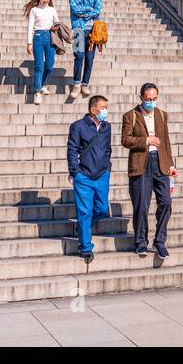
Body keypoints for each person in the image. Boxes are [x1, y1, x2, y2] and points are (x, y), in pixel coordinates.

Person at [122, 83, 177, 260]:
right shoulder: (131, 116)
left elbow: (166, 141)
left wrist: (171, 164)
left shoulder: (161, 114)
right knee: (141, 206)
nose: (151, 102)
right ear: (141, 98)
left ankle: (160, 241)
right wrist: (146, 140)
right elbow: (125, 140)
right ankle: (141, 242)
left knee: (166, 202)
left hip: (160, 164)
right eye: (148, 99)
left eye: (154, 99)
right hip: (141, 164)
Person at [67, 94, 112, 263]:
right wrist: (75, 171)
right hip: (84, 176)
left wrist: (108, 167)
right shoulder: (78, 126)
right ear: (93, 109)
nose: (105, 111)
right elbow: (72, 150)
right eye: (103, 108)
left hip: (102, 174)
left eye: (106, 108)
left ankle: (82, 227)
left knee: (102, 209)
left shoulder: (107, 127)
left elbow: (108, 149)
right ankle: (85, 247)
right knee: (84, 211)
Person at [68, 0, 103, 99]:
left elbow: (98, 10)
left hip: (93, 31)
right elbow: (75, 9)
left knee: (89, 58)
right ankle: (77, 84)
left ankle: (85, 84)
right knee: (78, 56)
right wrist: (90, 10)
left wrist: (85, 13)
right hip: (78, 29)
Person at [24, 0, 59, 104]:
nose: (45, 0)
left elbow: (57, 23)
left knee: (49, 65)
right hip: (38, 37)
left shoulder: (52, 10)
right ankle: (37, 92)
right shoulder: (34, 10)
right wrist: (29, 43)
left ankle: (43, 84)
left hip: (50, 37)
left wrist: (55, 27)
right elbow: (30, 27)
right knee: (39, 66)